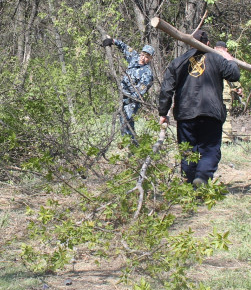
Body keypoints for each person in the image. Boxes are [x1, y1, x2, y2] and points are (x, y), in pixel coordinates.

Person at [158, 29, 240, 187]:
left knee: (188, 151)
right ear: (208, 44)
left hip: (186, 114)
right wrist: (230, 60)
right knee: (209, 149)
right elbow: (234, 75)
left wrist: (163, 112)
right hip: (210, 113)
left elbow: (166, 89)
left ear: (189, 43)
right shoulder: (217, 58)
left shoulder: (178, 61)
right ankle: (201, 178)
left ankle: (190, 184)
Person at [102, 36, 154, 139]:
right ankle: (126, 146)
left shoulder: (147, 73)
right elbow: (124, 47)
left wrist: (127, 100)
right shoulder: (134, 57)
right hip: (123, 95)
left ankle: (134, 146)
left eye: (147, 57)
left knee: (127, 122)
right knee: (122, 122)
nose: (143, 58)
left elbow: (140, 92)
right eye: (143, 55)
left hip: (132, 101)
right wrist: (112, 41)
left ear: (150, 59)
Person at [214, 41, 243, 144]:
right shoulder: (226, 58)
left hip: (211, 93)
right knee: (226, 117)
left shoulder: (210, 56)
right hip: (225, 93)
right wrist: (238, 87)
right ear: (225, 49)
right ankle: (226, 140)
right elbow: (232, 74)